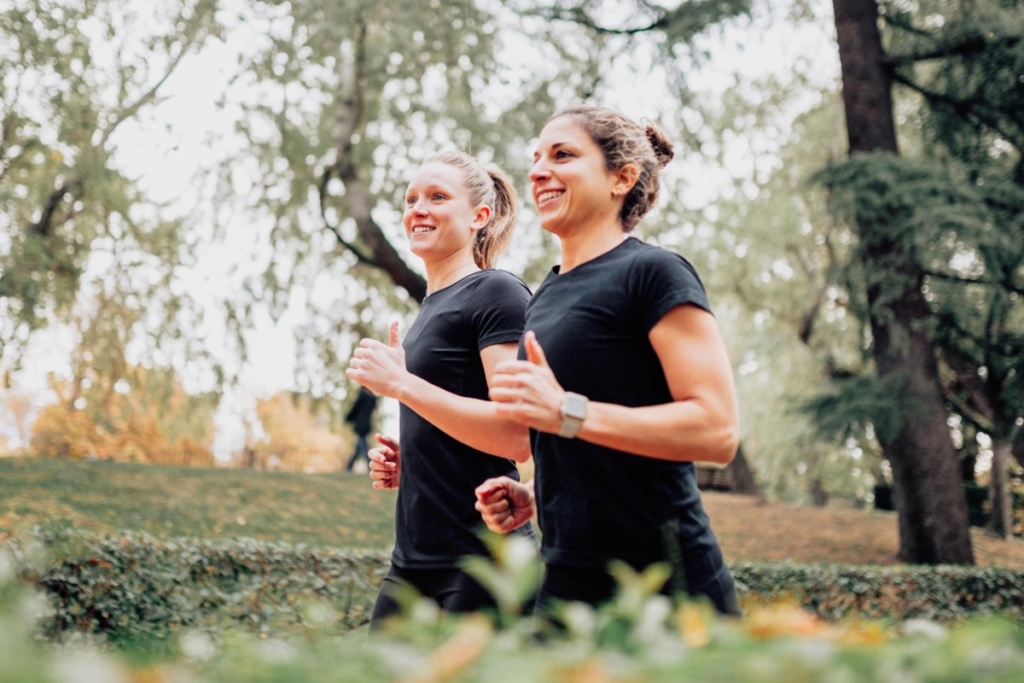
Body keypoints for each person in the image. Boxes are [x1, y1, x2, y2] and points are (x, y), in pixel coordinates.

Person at [474, 105, 742, 617]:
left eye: (563, 155)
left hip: (664, 589)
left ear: (622, 178)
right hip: (565, 585)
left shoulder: (655, 272)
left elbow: (717, 431)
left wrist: (566, 412)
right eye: (535, 158)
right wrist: (538, 490)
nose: (537, 170)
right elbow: (595, 432)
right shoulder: (545, 295)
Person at [345, 151, 535, 630]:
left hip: (482, 561)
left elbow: (517, 435)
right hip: (412, 561)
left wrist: (403, 385)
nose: (418, 209)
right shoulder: (430, 308)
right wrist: (415, 459)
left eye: (437, 197)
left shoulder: (497, 293)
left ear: (479, 216)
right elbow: (460, 420)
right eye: (411, 199)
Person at [344, 387, 377, 472]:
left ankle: (350, 466)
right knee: (363, 445)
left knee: (360, 446)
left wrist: (349, 418)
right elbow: (356, 407)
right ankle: (369, 465)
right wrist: (349, 418)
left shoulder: (371, 397)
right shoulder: (364, 395)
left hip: (364, 425)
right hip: (361, 425)